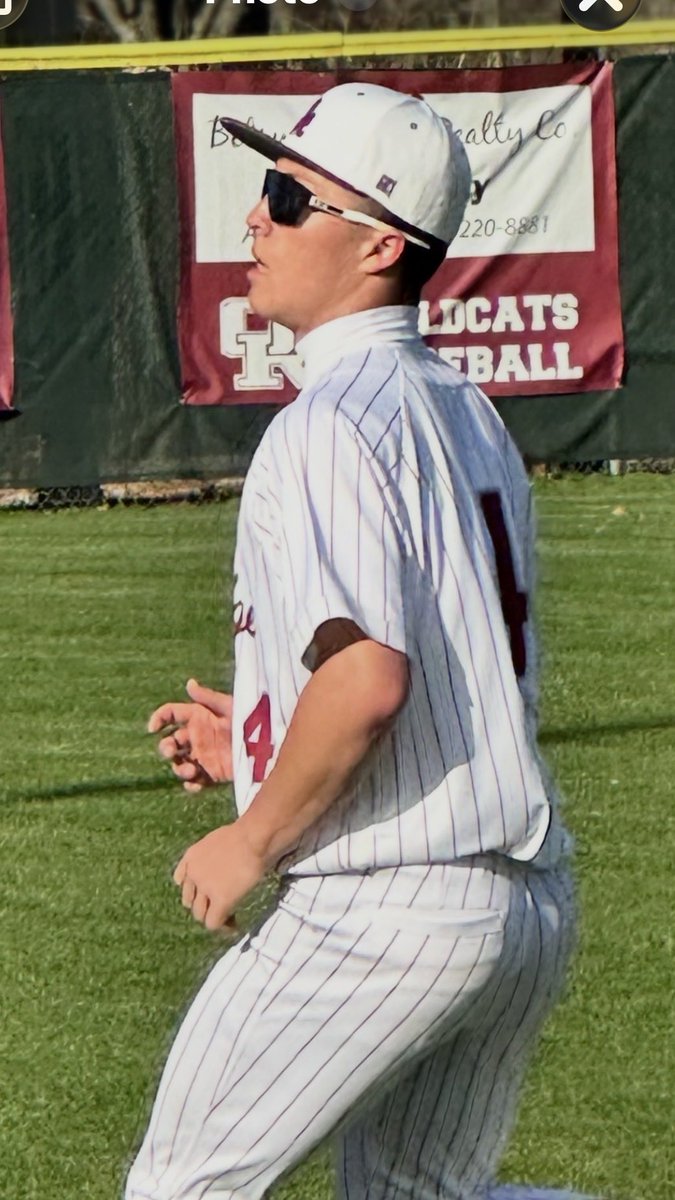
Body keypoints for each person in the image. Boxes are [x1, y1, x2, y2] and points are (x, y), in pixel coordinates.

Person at [125, 83, 577, 1200]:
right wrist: (273, 734)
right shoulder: (462, 404)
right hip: (521, 903)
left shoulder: (326, 422)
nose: (255, 219)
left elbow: (370, 680)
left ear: (380, 242)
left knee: (180, 1192)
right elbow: (441, 664)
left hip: (389, 907)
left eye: (287, 196)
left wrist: (257, 837)